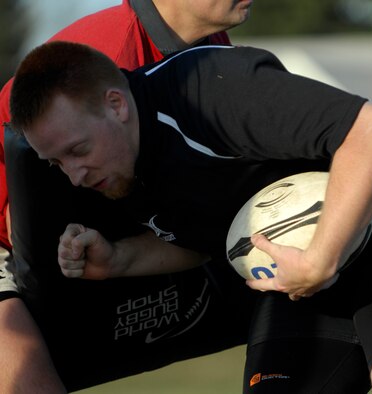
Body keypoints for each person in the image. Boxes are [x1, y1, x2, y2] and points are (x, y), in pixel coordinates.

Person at [9, 40, 372, 393]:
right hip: (300, 270)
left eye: (77, 151)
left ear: (116, 105)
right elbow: (206, 241)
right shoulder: (120, 169)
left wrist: (321, 258)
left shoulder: (207, 88)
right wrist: (117, 259)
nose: (72, 175)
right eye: (57, 164)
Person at [0, 0, 254, 392]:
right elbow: (31, 178)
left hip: (102, 219)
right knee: (27, 375)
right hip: (13, 224)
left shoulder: (209, 44)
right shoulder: (106, 58)